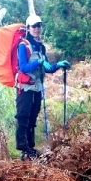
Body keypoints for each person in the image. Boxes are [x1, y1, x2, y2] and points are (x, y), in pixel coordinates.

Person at [15, 14, 71, 161]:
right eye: (34, 26)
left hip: (37, 89)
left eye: (39, 25)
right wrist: (39, 62)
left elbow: (48, 68)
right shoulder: (23, 45)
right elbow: (24, 67)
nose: (37, 28)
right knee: (23, 117)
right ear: (28, 28)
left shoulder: (41, 47)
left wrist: (58, 65)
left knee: (33, 117)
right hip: (25, 88)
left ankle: (31, 148)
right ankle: (23, 149)